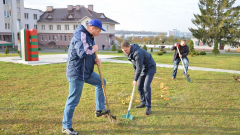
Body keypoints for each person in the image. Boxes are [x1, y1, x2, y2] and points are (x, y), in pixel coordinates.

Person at [62, 19, 108, 135]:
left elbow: (86, 55)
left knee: (101, 82)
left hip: (86, 71)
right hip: (77, 73)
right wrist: (94, 49)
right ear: (92, 28)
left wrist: (94, 60)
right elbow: (82, 53)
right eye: (98, 31)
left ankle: (99, 109)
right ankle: (66, 126)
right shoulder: (80, 35)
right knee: (73, 100)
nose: (99, 33)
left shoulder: (89, 36)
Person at [121, 41, 156, 115]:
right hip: (142, 69)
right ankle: (143, 102)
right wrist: (136, 76)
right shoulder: (129, 53)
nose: (125, 52)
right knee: (139, 86)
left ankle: (148, 106)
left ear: (129, 46)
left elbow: (139, 67)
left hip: (150, 68)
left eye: (126, 50)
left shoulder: (138, 53)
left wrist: (135, 79)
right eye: (124, 51)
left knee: (146, 86)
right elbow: (135, 65)